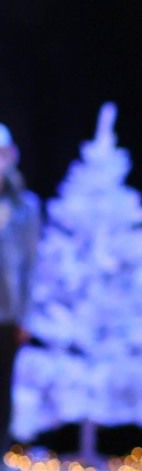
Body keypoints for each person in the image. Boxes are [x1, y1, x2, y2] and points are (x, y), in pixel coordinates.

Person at [0, 123, 42, 450]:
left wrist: (26, 316)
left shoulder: (25, 206)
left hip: (7, 312)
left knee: (3, 385)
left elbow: (30, 265)